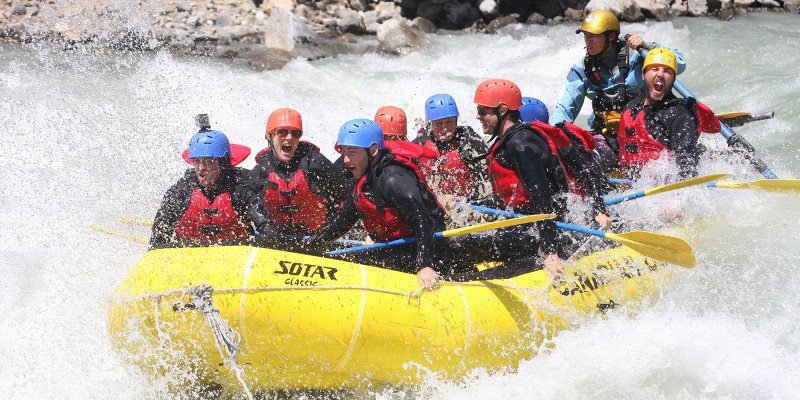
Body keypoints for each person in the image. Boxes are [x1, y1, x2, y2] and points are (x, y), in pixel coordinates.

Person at [308, 119, 449, 289]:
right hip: (395, 247)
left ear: (373, 150)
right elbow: (344, 220)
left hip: (424, 248)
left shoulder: (393, 179)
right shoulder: (364, 177)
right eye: (344, 152)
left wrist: (424, 265)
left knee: (353, 263)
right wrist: (310, 246)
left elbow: (422, 220)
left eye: (352, 152)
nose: (345, 159)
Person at [550, 9, 686, 170]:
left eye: (594, 35)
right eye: (586, 35)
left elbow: (680, 63)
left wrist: (647, 45)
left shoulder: (638, 56)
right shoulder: (582, 69)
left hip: (647, 131)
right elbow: (566, 109)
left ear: (611, 36)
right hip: (608, 137)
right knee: (583, 161)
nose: (588, 40)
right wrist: (549, 136)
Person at [474, 79, 574, 278]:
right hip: (522, 224)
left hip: (535, 232)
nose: (478, 116)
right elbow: (510, 194)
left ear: (502, 110)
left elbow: (542, 197)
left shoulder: (521, 144)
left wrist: (550, 252)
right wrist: (467, 203)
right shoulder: (508, 140)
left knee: (459, 246)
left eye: (483, 110)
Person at [150, 129, 276, 248]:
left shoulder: (241, 192)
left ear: (222, 163)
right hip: (187, 259)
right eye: (196, 161)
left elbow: (267, 228)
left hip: (234, 260)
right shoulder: (181, 192)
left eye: (207, 161)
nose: (201, 168)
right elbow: (159, 235)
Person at [617, 48, 720, 179]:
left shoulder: (679, 116)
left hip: (663, 182)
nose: (660, 74)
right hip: (630, 178)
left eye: (667, 71)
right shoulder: (631, 107)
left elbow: (688, 167)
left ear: (673, 79)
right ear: (643, 75)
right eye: (654, 69)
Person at [249, 108, 348, 236]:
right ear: (269, 136)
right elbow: (243, 205)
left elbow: (348, 198)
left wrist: (334, 229)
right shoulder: (261, 170)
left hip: (318, 238)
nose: (289, 137)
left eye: (295, 133)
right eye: (282, 132)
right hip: (277, 239)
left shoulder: (315, 162)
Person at [520, 97, 613, 230]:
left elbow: (591, 174)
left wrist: (600, 210)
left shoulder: (561, 146)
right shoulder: (518, 149)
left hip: (576, 211)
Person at [413, 94, 491, 200]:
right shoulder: (419, 145)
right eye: (439, 123)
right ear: (430, 124)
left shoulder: (469, 140)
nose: (444, 129)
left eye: (449, 122)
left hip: (468, 202)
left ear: (456, 121)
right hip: (434, 204)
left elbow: (491, 171)